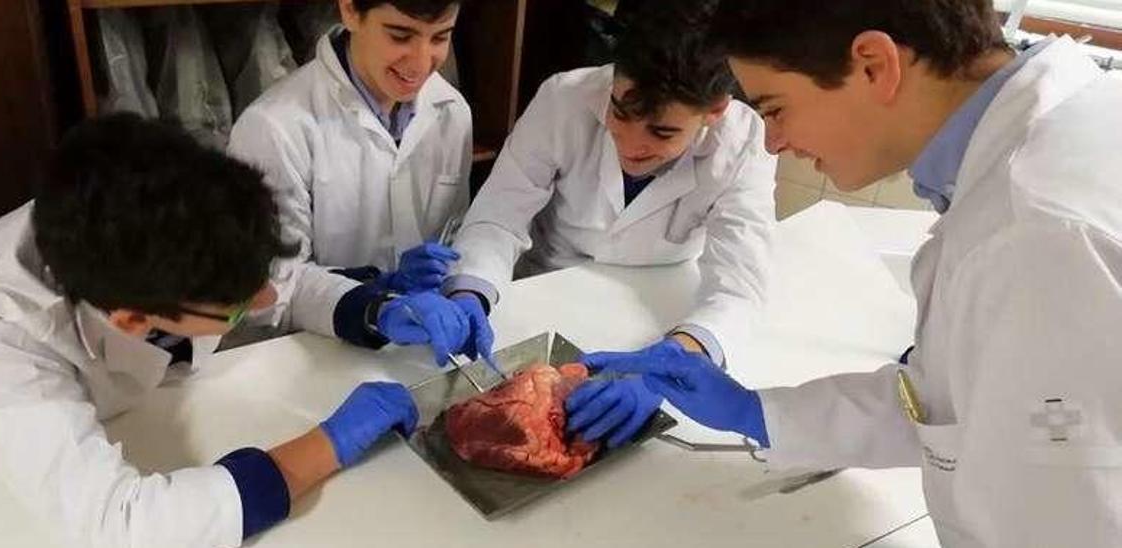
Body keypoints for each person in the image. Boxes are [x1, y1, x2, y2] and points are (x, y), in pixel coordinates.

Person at [578, 1, 1122, 545]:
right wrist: (756, 413)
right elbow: (954, 401)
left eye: (773, 108)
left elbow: (1068, 519)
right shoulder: (1057, 140)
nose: (773, 142)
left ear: (873, 65)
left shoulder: (1040, 236)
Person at [0, 114, 420, 546]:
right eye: (232, 309)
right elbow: (125, 529)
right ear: (133, 319)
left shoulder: (162, 213)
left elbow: (278, 285)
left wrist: (369, 310)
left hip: (127, 424)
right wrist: (328, 443)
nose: (268, 299)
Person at [444, 0, 776, 449]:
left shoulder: (744, 141)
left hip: (655, 307)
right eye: (619, 111)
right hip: (547, 288)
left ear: (714, 111)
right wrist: (471, 288)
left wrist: (674, 360)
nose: (631, 144)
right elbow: (498, 216)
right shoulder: (563, 98)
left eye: (661, 132)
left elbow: (739, 288)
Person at [227, 0, 492, 367]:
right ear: (350, 10)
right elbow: (269, 291)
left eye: (440, 38)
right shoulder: (274, 127)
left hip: (412, 355)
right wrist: (376, 303)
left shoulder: (452, 111)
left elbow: (452, 232)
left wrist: (461, 285)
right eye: (400, 35)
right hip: (305, 359)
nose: (420, 62)